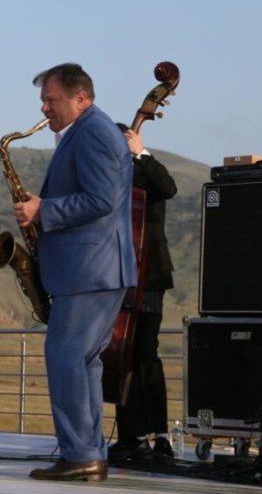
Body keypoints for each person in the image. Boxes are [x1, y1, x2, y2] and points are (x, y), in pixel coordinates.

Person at [14, 63, 137, 482]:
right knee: (83, 362)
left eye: (51, 100)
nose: (44, 108)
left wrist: (44, 209)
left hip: (89, 269)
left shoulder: (93, 132)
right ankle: (89, 453)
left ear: (80, 98)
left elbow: (101, 199)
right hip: (96, 268)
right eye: (43, 101)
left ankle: (80, 453)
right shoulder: (91, 130)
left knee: (65, 357)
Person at [108, 124, 177, 463]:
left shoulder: (147, 170)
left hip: (148, 275)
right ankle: (130, 435)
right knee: (122, 355)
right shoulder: (109, 176)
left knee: (147, 353)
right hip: (117, 275)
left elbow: (168, 187)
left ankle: (160, 434)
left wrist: (141, 152)